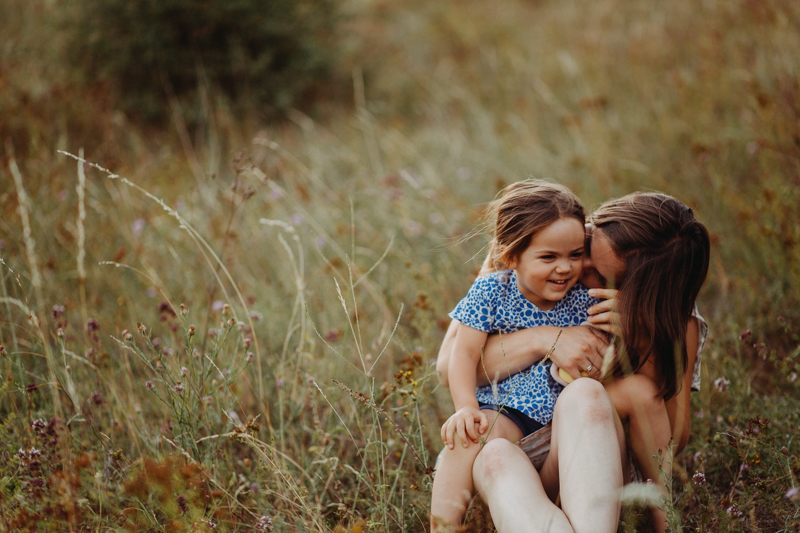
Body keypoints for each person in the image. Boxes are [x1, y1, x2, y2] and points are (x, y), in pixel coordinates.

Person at [436, 191, 710, 533]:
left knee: (588, 394)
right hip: (514, 439)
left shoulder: (670, 318)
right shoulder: (543, 237)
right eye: (588, 249)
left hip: (594, 457)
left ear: (638, 291)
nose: (574, 272)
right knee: (494, 456)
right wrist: (544, 338)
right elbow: (449, 364)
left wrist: (643, 335)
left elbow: (673, 435)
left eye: (599, 275)